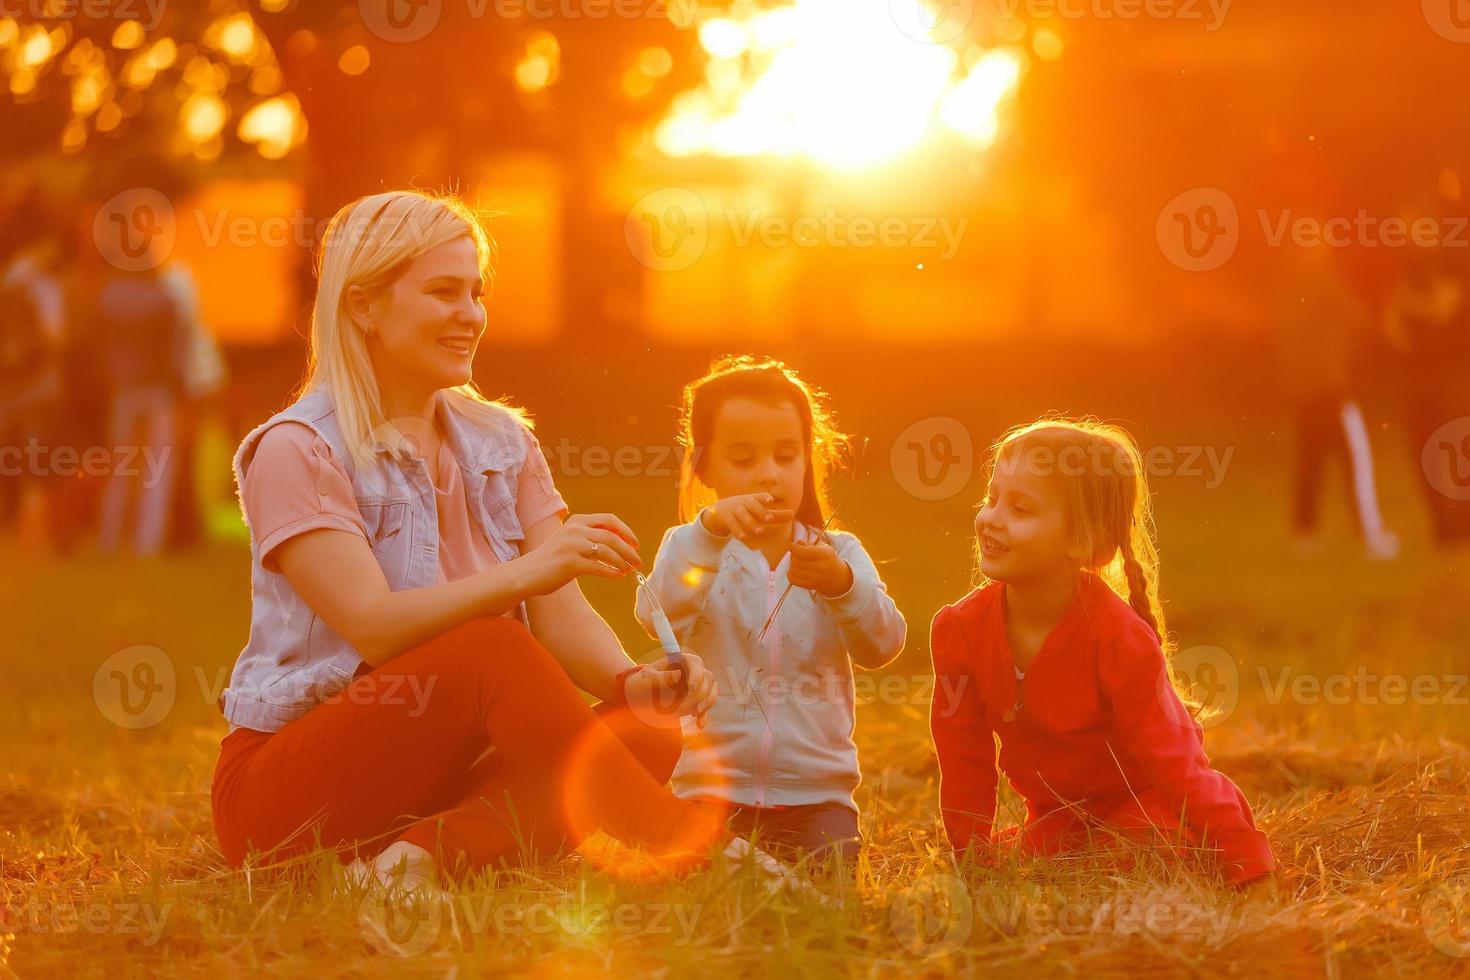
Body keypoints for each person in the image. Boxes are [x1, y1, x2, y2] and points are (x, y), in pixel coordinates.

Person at [211, 191, 791, 893]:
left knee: (650, 725)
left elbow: (560, 610)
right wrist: (527, 572)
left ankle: (412, 858)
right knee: (491, 644)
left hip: (435, 778)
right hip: (288, 794)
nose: (471, 316)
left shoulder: (502, 441)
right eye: (443, 292)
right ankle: (694, 850)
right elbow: (376, 627)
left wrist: (630, 681)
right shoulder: (297, 450)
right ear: (362, 305)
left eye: (476, 293)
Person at [929, 418, 1277, 889]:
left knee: (1144, 848)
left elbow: (1177, 762)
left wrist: (1247, 862)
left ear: (1084, 542)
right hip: (1061, 814)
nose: (992, 518)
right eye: (992, 499)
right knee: (1036, 861)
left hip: (1143, 801)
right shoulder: (959, 630)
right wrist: (969, 858)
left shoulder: (1118, 639)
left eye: (1021, 508)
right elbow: (963, 759)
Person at [636, 356, 906, 867]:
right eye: (744, 459)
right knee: (700, 885)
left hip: (816, 800)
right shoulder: (692, 549)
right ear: (704, 467)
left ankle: (767, 869)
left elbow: (883, 645)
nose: (769, 474)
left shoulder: (840, 554)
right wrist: (708, 532)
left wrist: (844, 589)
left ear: (809, 460)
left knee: (824, 885)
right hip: (710, 791)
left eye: (786, 456)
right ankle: (728, 861)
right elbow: (658, 614)